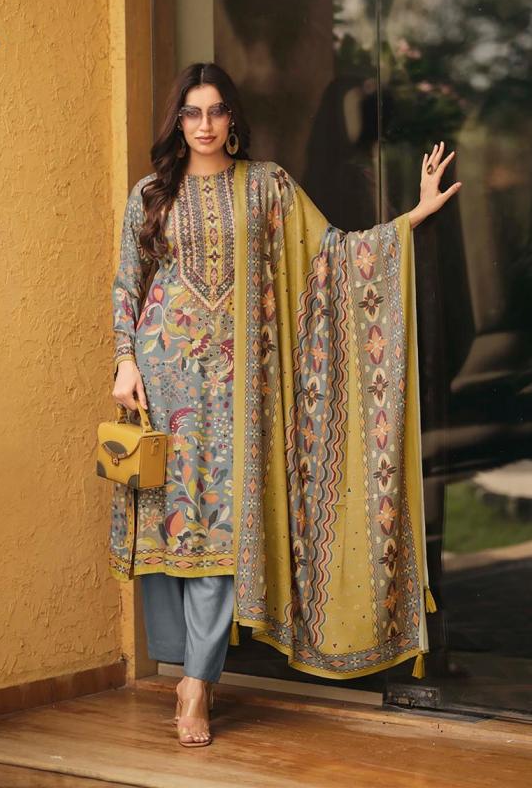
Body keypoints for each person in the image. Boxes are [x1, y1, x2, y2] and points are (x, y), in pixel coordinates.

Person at [110, 62, 461, 747]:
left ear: (232, 119)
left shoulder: (266, 186)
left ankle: (195, 684)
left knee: (221, 537)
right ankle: (181, 662)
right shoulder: (151, 193)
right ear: (177, 121)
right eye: (191, 112)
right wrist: (125, 361)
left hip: (240, 391)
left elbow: (330, 256)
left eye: (216, 111)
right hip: (162, 380)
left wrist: (411, 218)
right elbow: (129, 282)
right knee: (166, 532)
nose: (204, 124)